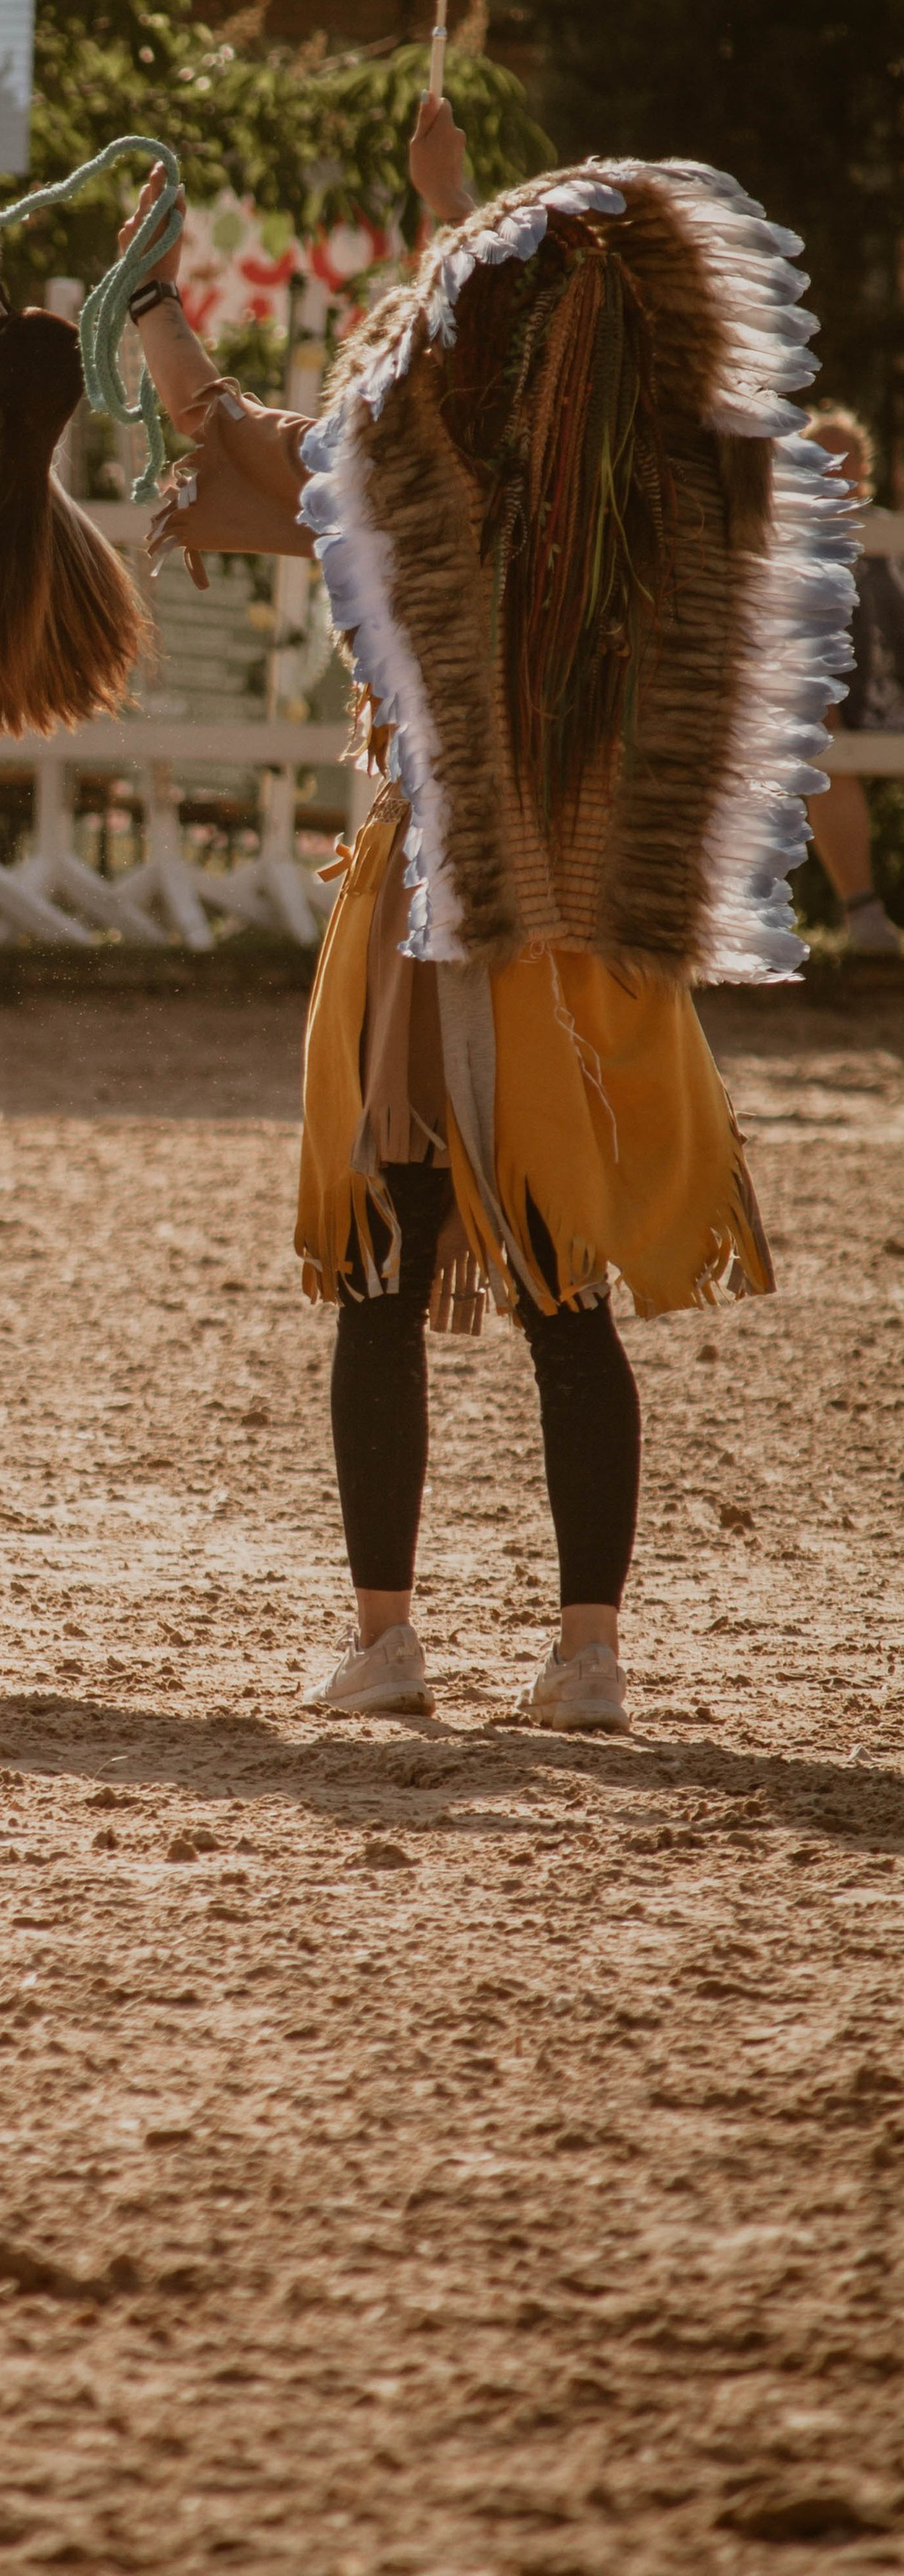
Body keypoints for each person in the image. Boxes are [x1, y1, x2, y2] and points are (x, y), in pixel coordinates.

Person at [115, 98, 856, 1730]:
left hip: (445, 922)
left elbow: (272, 454)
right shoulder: (659, 494)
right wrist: (446, 217)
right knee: (557, 1297)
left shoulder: (438, 487)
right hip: (577, 922)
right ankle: (582, 1653)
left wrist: (165, 301)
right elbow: (319, 450)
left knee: (392, 1275)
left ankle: (392, 1641)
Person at [800, 402, 904, 955]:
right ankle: (864, 917)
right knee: (825, 750)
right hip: (837, 703)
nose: (839, 471)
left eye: (850, 460)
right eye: (825, 459)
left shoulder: (891, 535)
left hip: (897, 697)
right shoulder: (789, 540)